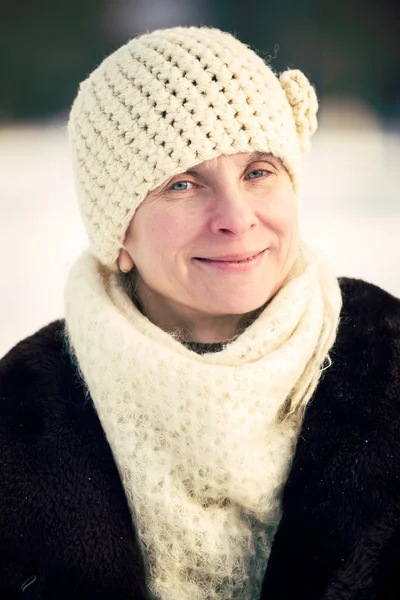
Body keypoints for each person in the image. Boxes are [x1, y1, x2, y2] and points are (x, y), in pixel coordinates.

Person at [0, 25, 399, 600]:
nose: (236, 218)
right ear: (119, 233)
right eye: (183, 184)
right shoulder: (22, 414)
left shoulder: (387, 361)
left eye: (258, 171)